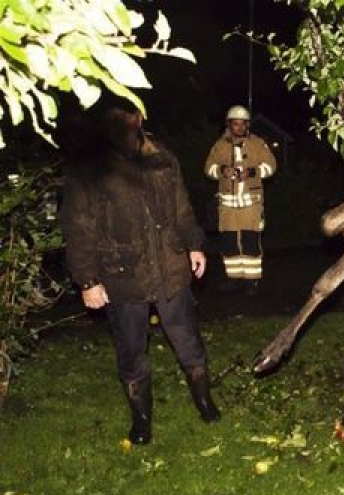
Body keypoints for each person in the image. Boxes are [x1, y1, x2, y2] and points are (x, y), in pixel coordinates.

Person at [59, 100, 220, 446]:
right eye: (119, 115)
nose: (127, 121)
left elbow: (182, 206)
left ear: (141, 116)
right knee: (131, 352)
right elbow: (78, 227)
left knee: (188, 340)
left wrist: (193, 243)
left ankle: (205, 402)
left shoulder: (160, 156)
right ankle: (142, 421)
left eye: (131, 113)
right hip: (122, 274)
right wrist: (87, 280)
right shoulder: (91, 168)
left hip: (170, 268)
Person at [204, 105, 277, 294]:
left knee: (250, 242)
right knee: (229, 243)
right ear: (229, 125)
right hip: (227, 207)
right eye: (235, 124)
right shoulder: (219, 146)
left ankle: (252, 281)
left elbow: (271, 166)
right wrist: (222, 171)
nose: (239, 128)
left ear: (247, 125)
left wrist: (251, 172)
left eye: (243, 124)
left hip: (251, 205)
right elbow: (208, 168)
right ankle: (234, 279)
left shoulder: (258, 144)